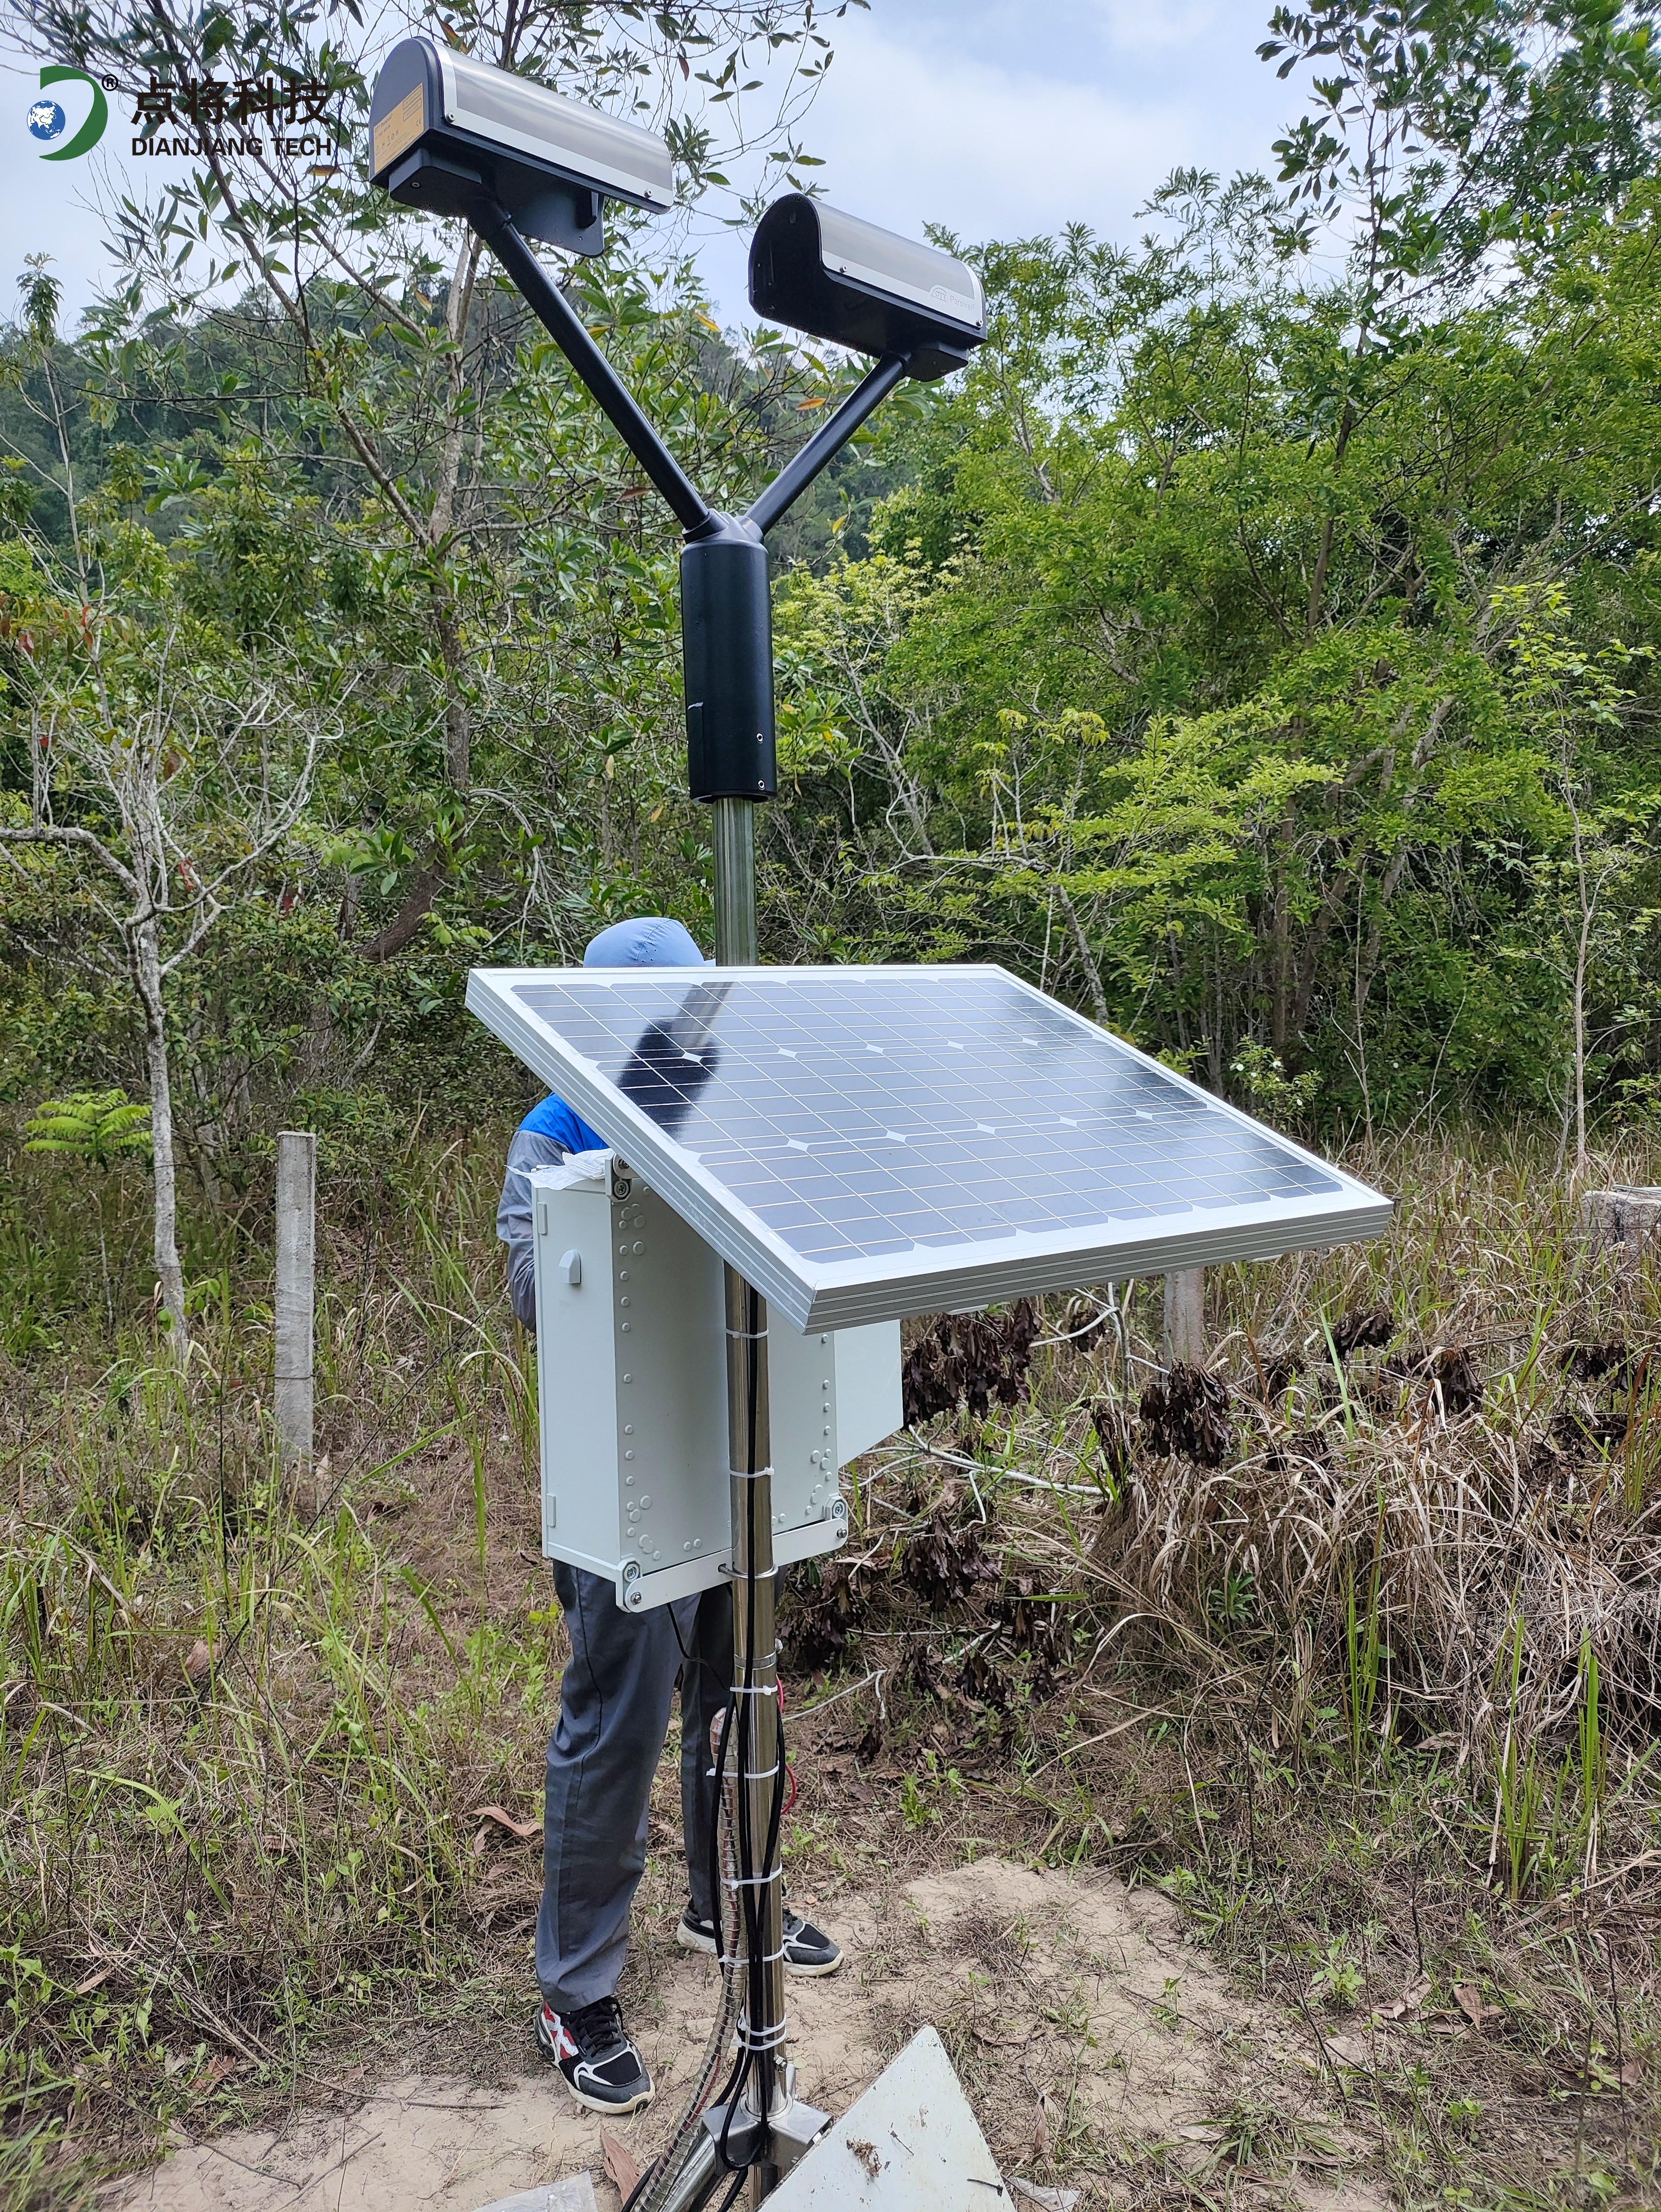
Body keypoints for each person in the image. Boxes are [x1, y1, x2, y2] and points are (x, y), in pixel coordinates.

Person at [498, 915, 842, 2118]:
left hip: (733, 1459)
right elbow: (537, 1286)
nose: (687, 1037)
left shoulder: (740, 1110)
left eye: (698, 1015)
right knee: (617, 1722)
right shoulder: (554, 1130)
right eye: (666, 1018)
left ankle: (725, 1899)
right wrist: (631, 1197)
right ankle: (575, 1990)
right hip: (626, 1486)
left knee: (734, 1693)